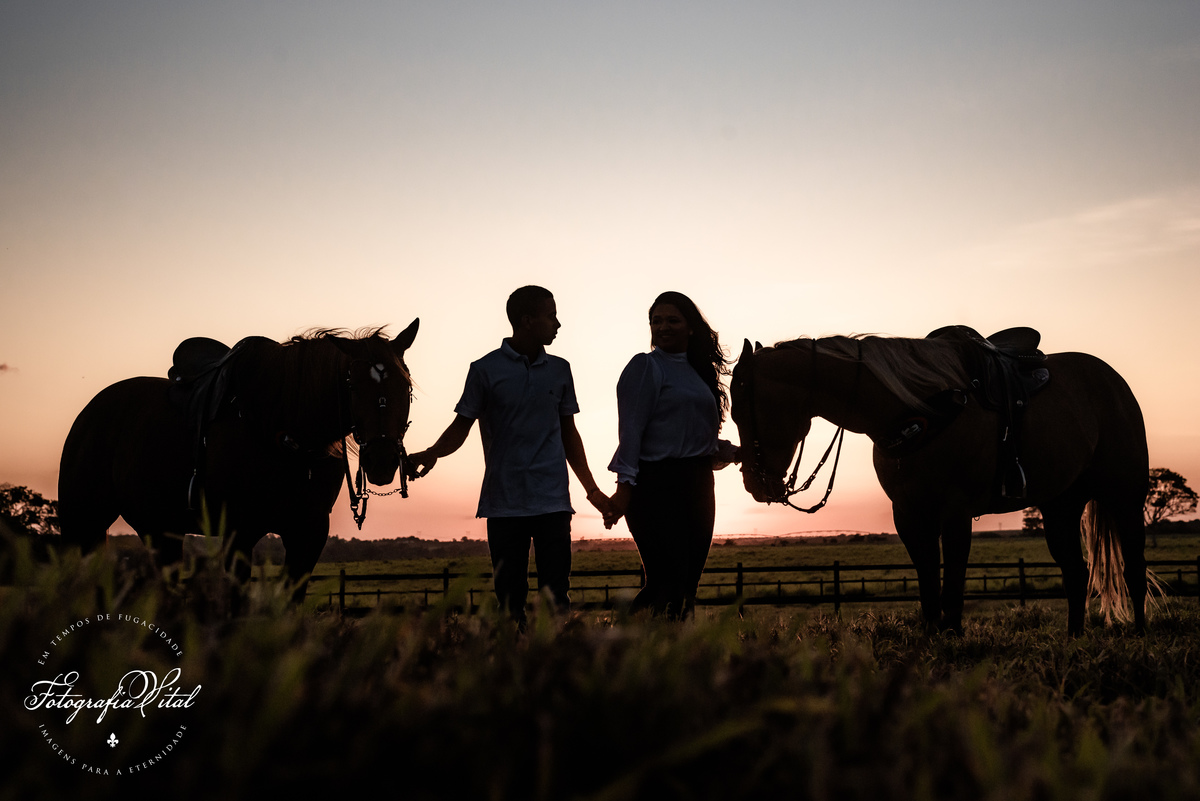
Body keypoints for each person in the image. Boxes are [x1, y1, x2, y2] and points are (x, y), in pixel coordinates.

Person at [407, 286, 610, 625]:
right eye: (551, 316)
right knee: (510, 601)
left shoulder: (560, 370)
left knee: (556, 598)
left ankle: (552, 666)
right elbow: (462, 425)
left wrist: (592, 491)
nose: (558, 324)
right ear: (528, 321)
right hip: (505, 503)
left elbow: (569, 434)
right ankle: (510, 666)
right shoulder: (484, 370)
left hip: (553, 502)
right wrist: (432, 453)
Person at [604, 291, 738, 617]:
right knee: (665, 583)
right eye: (656, 321)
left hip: (698, 485)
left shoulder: (701, 374)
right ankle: (620, 650)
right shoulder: (645, 367)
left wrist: (733, 451)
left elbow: (697, 438)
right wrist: (624, 490)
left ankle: (676, 658)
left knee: (687, 585)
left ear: (691, 327)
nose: (662, 327)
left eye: (672, 320)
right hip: (654, 485)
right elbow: (631, 433)